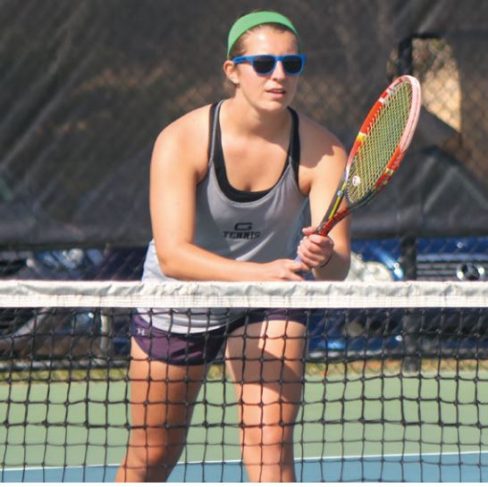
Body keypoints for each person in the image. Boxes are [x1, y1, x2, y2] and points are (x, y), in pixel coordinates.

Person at [116, 10, 350, 481]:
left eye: (292, 64)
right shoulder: (182, 141)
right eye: (263, 64)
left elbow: (337, 267)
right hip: (181, 299)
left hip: (266, 304)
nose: (279, 76)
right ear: (233, 72)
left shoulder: (323, 152)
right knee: (152, 456)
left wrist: (322, 257)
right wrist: (260, 272)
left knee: (271, 449)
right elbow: (173, 255)